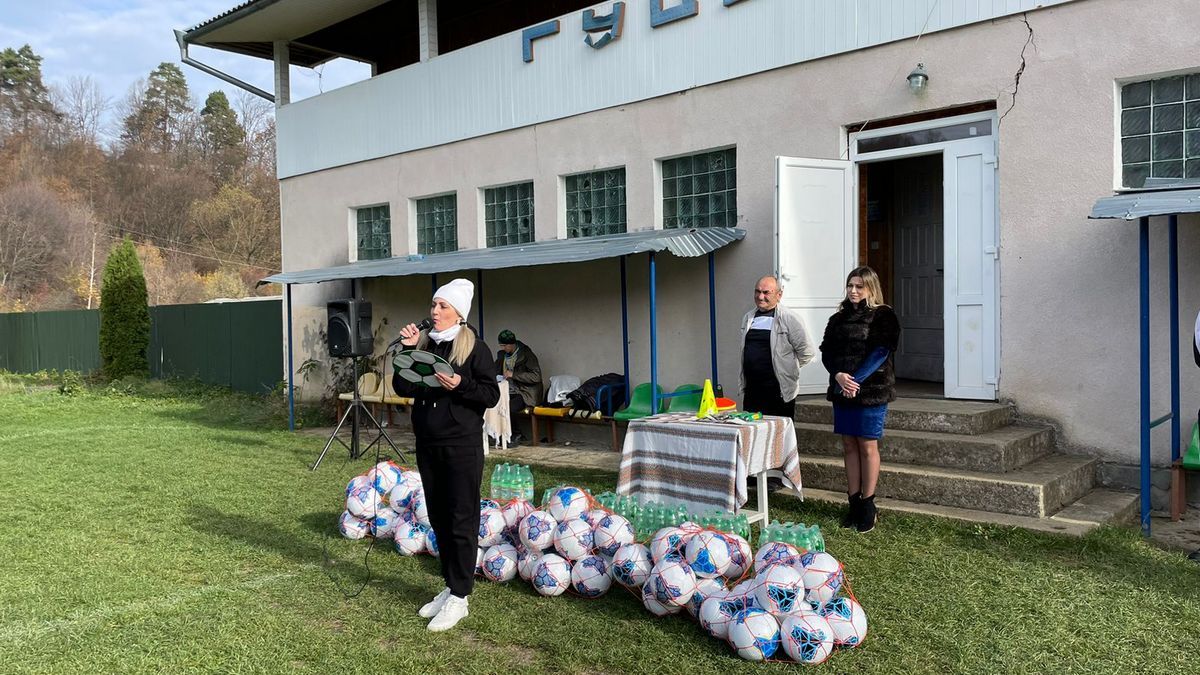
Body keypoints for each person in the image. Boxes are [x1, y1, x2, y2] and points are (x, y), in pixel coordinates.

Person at [392, 278, 499, 632]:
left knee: (460, 518)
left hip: (461, 444)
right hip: (428, 441)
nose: (434, 312)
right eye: (433, 305)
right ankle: (450, 585)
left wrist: (462, 385)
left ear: (458, 314)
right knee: (438, 515)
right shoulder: (427, 345)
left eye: (442, 307)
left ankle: (461, 597)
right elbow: (404, 386)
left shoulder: (475, 349)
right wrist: (405, 351)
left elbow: (490, 395)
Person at [820, 266, 900, 533]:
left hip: (871, 391)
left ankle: (868, 505)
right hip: (843, 389)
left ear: (870, 288)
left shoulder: (884, 315)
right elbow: (827, 353)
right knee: (848, 445)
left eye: (859, 286)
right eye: (850, 286)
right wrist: (839, 375)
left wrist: (856, 380)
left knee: (867, 446)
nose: (853, 291)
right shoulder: (837, 319)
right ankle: (853, 503)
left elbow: (880, 352)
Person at [739, 275, 815, 418]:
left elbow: (807, 353)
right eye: (757, 291)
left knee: (779, 436)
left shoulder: (789, 319)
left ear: (779, 295)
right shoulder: (748, 318)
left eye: (766, 292)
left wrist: (787, 368)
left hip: (778, 392)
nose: (760, 297)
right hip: (752, 391)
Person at [495, 329, 543, 445]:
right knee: (496, 403)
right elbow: (494, 370)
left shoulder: (526, 354)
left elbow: (536, 377)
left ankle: (515, 434)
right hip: (508, 390)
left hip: (526, 392)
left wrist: (514, 375)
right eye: (501, 345)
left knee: (509, 407)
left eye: (504, 345)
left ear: (511, 344)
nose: (502, 348)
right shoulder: (502, 355)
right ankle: (501, 434)